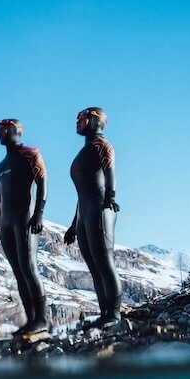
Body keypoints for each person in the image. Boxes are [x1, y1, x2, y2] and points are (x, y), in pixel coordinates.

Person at [64, 107, 122, 329]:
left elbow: (110, 172)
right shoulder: (85, 150)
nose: (77, 121)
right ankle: (104, 314)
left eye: (82, 118)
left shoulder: (101, 145)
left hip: (101, 209)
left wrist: (111, 196)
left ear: (96, 121)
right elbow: (83, 193)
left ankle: (114, 315)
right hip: (85, 213)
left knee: (105, 263)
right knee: (94, 267)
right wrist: (73, 224)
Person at [0, 118, 48, 335]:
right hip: (6, 224)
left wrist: (39, 215)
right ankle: (31, 319)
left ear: (15, 131)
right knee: (18, 272)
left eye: (3, 130)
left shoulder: (30, 153)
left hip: (25, 219)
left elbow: (43, 182)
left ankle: (41, 319)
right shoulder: (1, 166)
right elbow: (0, 197)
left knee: (29, 268)